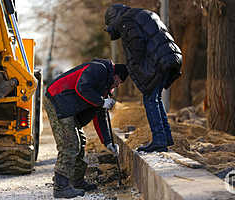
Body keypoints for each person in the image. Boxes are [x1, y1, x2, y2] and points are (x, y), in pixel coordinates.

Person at [44, 58, 128, 199]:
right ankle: (60, 186)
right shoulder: (99, 69)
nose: (118, 85)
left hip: (68, 106)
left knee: (81, 140)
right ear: (115, 74)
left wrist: (108, 142)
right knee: (70, 143)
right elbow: (81, 87)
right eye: (118, 81)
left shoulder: (105, 87)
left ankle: (76, 181)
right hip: (57, 99)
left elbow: (101, 117)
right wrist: (101, 102)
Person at [104, 4, 182, 153]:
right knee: (156, 98)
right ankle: (165, 138)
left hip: (160, 59)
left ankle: (159, 140)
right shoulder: (140, 14)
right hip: (170, 55)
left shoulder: (126, 21)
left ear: (114, 19)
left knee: (150, 99)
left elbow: (136, 46)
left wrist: (136, 66)